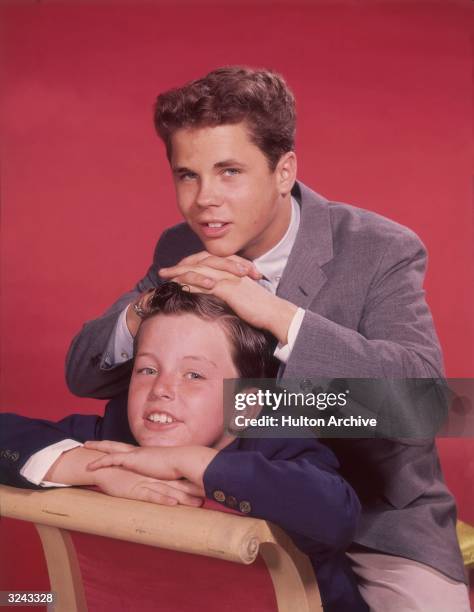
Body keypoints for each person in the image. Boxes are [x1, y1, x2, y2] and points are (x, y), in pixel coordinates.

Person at [29, 67, 470, 608]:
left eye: (229, 171)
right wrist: (146, 307)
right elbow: (84, 373)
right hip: (219, 497)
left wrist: (275, 315)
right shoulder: (179, 246)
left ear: (284, 171)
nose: (203, 200)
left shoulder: (380, 248)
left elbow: (431, 406)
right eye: (187, 175)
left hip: (372, 516)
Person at [1, 283, 368, 612]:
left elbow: (336, 513)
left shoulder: (277, 442)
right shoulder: (117, 435)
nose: (161, 388)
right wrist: (99, 467)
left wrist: (194, 462)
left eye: (193, 375)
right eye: (147, 370)